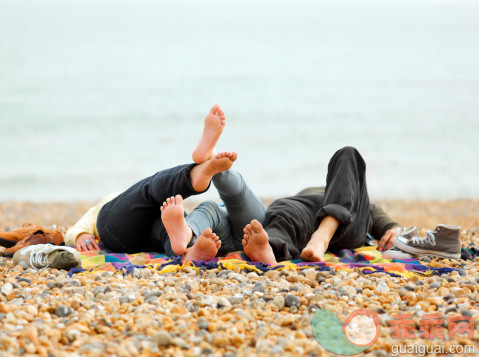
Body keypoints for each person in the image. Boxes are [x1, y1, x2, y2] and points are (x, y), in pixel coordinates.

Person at [65, 105, 266, 262]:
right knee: (149, 191)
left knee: (171, 229)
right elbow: (75, 228)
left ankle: (186, 248)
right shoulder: (112, 202)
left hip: (149, 236)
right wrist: (81, 235)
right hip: (119, 231)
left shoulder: (168, 212)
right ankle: (195, 174)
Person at [241, 146, 400, 265]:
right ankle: (269, 248)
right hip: (305, 212)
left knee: (348, 153)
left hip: (346, 224)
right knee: (284, 212)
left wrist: (391, 227)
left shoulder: (356, 198)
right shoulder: (315, 194)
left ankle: (322, 237)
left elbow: (376, 213)